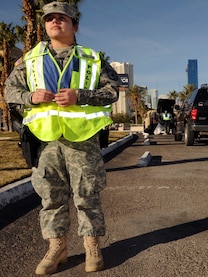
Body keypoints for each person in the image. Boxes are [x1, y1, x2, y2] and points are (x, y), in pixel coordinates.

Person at [5, 2, 120, 275]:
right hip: (45, 140)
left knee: (87, 194)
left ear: (74, 26)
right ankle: (57, 248)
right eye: (50, 19)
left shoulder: (92, 58)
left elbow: (113, 90)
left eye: (62, 18)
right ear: (45, 26)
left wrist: (80, 95)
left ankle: (92, 246)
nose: (55, 22)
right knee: (51, 196)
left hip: (83, 139)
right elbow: (10, 89)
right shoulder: (30, 59)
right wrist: (29, 97)